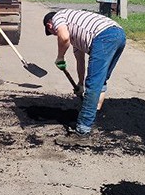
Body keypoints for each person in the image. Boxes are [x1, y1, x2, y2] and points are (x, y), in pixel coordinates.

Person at [43, 8, 126, 140]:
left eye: (53, 33)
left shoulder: (58, 17)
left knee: (93, 83)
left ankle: (82, 131)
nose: (56, 34)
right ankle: (95, 114)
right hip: (119, 34)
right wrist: (80, 84)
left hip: (104, 35)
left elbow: (63, 38)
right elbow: (80, 61)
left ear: (50, 25)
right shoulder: (76, 36)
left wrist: (60, 57)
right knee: (101, 79)